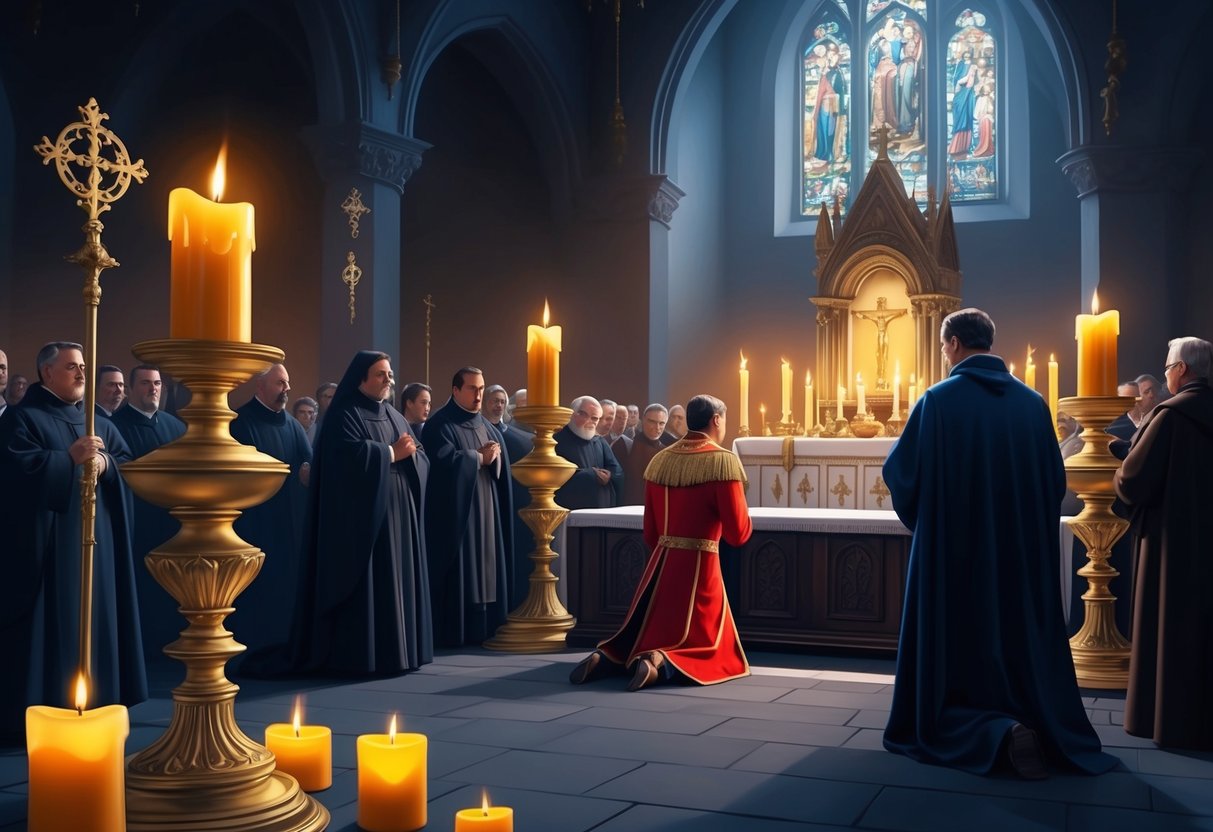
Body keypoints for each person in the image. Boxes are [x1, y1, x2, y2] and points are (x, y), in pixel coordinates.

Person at [881, 308, 1115, 778]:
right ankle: (1030, 718)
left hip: (955, 558)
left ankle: (985, 730)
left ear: (952, 345)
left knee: (957, 644)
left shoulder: (937, 401)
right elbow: (1054, 483)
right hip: (1018, 558)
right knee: (1017, 635)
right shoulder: (1033, 405)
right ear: (989, 342)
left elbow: (902, 476)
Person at [0, 342, 146, 742]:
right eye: (71, 367)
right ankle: (45, 708)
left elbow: (126, 463)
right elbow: (16, 475)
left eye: (83, 367)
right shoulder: (21, 419)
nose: (82, 374)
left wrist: (105, 463)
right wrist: (68, 460)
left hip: (98, 551)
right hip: (49, 550)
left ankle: (100, 701)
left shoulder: (96, 422)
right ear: (47, 373)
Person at [569, 394, 752, 692]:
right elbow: (737, 533)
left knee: (642, 631)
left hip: (660, 564)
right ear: (716, 420)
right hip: (700, 566)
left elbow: (651, 532)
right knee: (701, 643)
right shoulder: (722, 460)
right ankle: (658, 663)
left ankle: (604, 657)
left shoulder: (661, 459)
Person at [288, 351, 432, 676]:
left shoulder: (395, 415)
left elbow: (419, 455)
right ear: (361, 378)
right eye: (381, 374)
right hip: (364, 518)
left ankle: (400, 653)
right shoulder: (344, 414)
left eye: (390, 373)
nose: (388, 379)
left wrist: (410, 457)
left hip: (399, 513)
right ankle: (363, 656)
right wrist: (389, 454)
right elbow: (342, 462)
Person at [1115, 336, 1213, 750]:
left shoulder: (1169, 415)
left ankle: (1170, 724)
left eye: (1168, 365)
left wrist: (1119, 461)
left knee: (1170, 625)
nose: (1166, 370)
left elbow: (1134, 480)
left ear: (1182, 371)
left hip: (1172, 542)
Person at [424, 367, 513, 646]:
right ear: (455, 390)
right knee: (465, 568)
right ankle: (458, 630)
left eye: (481, 389)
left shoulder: (485, 425)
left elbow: (499, 467)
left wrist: (495, 458)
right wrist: (477, 458)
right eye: (472, 389)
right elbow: (439, 464)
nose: (478, 395)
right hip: (457, 512)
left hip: (486, 504)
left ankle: (487, 625)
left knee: (487, 563)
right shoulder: (440, 424)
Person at [228, 364, 312, 652]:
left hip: (290, 524)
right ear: (260, 387)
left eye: (287, 383)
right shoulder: (241, 422)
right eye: (279, 383)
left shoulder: (292, 425)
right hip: (257, 524)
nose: (286, 389)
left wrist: (308, 471)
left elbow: (308, 463)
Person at [110, 365, 187, 656]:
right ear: (130, 389)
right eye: (145, 383)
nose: (152, 389)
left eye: (156, 384)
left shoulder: (176, 426)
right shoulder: (115, 425)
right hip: (134, 520)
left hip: (171, 522)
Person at [484, 384, 535, 602]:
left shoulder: (521, 438)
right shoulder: (478, 430)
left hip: (516, 504)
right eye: (494, 400)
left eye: (502, 401)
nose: (499, 405)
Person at [554, 396, 623, 509]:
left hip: (600, 510)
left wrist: (610, 475)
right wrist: (591, 475)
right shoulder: (556, 441)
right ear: (572, 414)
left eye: (595, 418)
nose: (590, 421)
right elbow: (555, 476)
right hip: (571, 511)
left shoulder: (599, 441)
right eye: (584, 415)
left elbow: (617, 471)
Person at [621, 404, 668, 506]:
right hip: (627, 509)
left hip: (656, 508)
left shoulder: (666, 453)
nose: (657, 427)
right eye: (652, 422)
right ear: (643, 420)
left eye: (661, 423)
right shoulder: (625, 445)